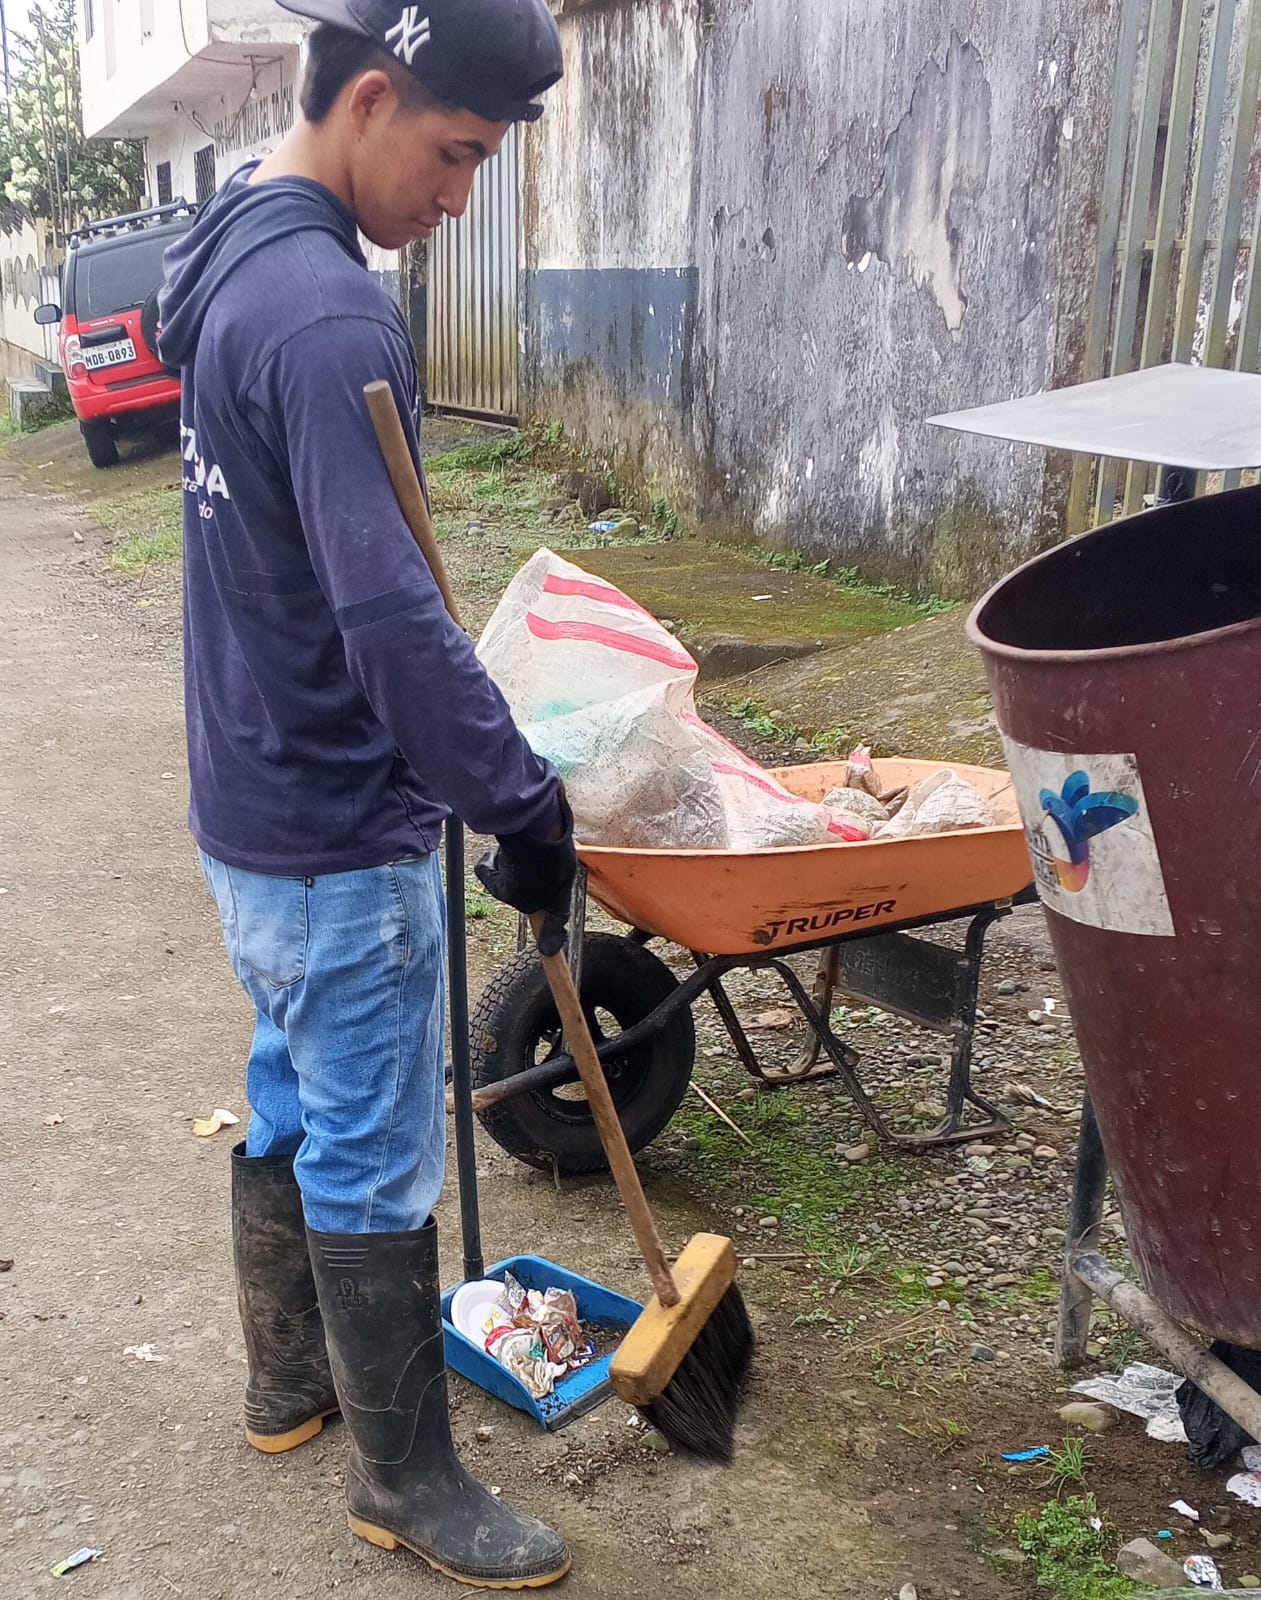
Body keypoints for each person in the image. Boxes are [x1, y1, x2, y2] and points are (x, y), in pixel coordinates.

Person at [158, 1, 577, 1587]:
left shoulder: (231, 254)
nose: (459, 198)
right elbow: (393, 622)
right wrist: (520, 803)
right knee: (375, 1150)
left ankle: (288, 1385)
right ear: (373, 97)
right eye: (455, 154)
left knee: (292, 1086)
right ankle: (408, 1481)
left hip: (250, 805)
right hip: (340, 826)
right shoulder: (330, 315)